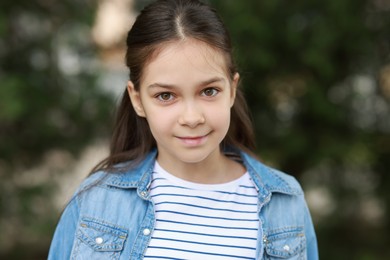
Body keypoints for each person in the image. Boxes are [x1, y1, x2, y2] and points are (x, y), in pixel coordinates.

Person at [48, 0, 318, 259]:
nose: (191, 118)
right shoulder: (97, 201)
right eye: (166, 96)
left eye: (209, 91)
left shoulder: (285, 202)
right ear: (138, 100)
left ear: (232, 90)